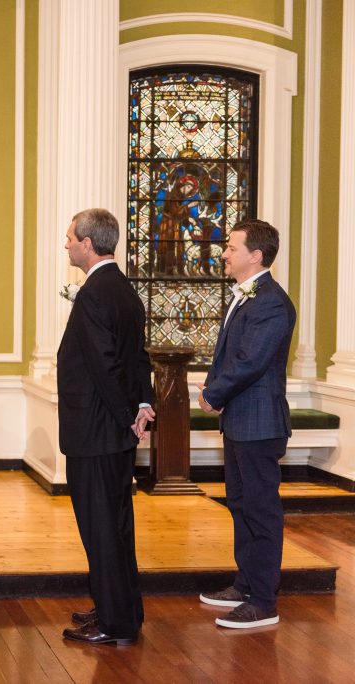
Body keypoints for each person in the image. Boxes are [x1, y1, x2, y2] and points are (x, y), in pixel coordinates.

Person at [57, 208, 155, 646]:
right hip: (112, 430)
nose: (66, 245)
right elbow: (137, 358)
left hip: (96, 432)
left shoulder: (96, 293)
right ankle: (120, 607)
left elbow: (106, 366)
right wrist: (142, 404)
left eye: (70, 238)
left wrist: (127, 416)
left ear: (88, 244)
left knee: (102, 529)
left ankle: (114, 623)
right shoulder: (124, 290)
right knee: (114, 526)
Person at [198, 219, 296, 629]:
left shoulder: (271, 301)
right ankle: (245, 583)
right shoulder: (244, 297)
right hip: (241, 421)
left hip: (258, 422)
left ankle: (262, 601)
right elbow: (231, 356)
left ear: (256, 255)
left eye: (232, 247)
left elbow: (251, 361)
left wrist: (213, 394)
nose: (224, 253)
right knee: (240, 506)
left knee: (261, 510)